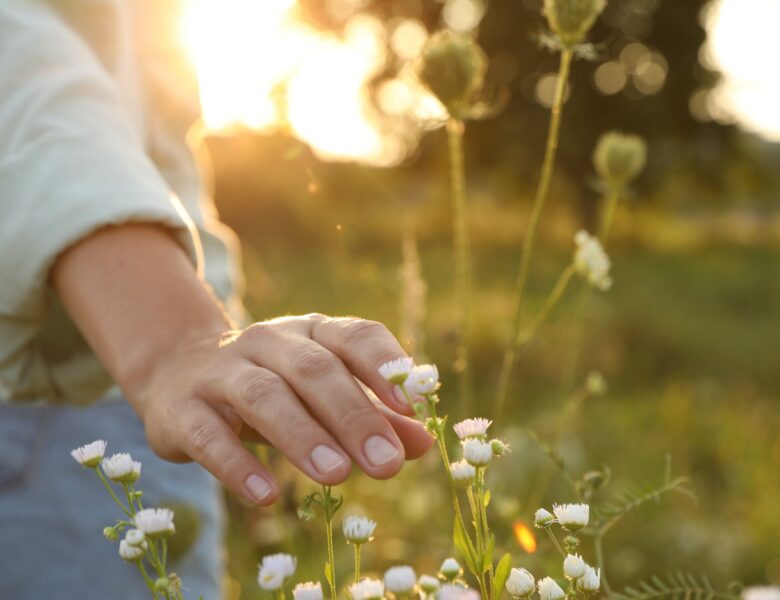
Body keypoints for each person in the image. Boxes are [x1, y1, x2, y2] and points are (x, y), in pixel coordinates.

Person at [0, 1, 433, 597]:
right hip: (45, 402)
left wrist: (227, 354)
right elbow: (21, 71)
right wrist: (174, 338)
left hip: (168, 400)